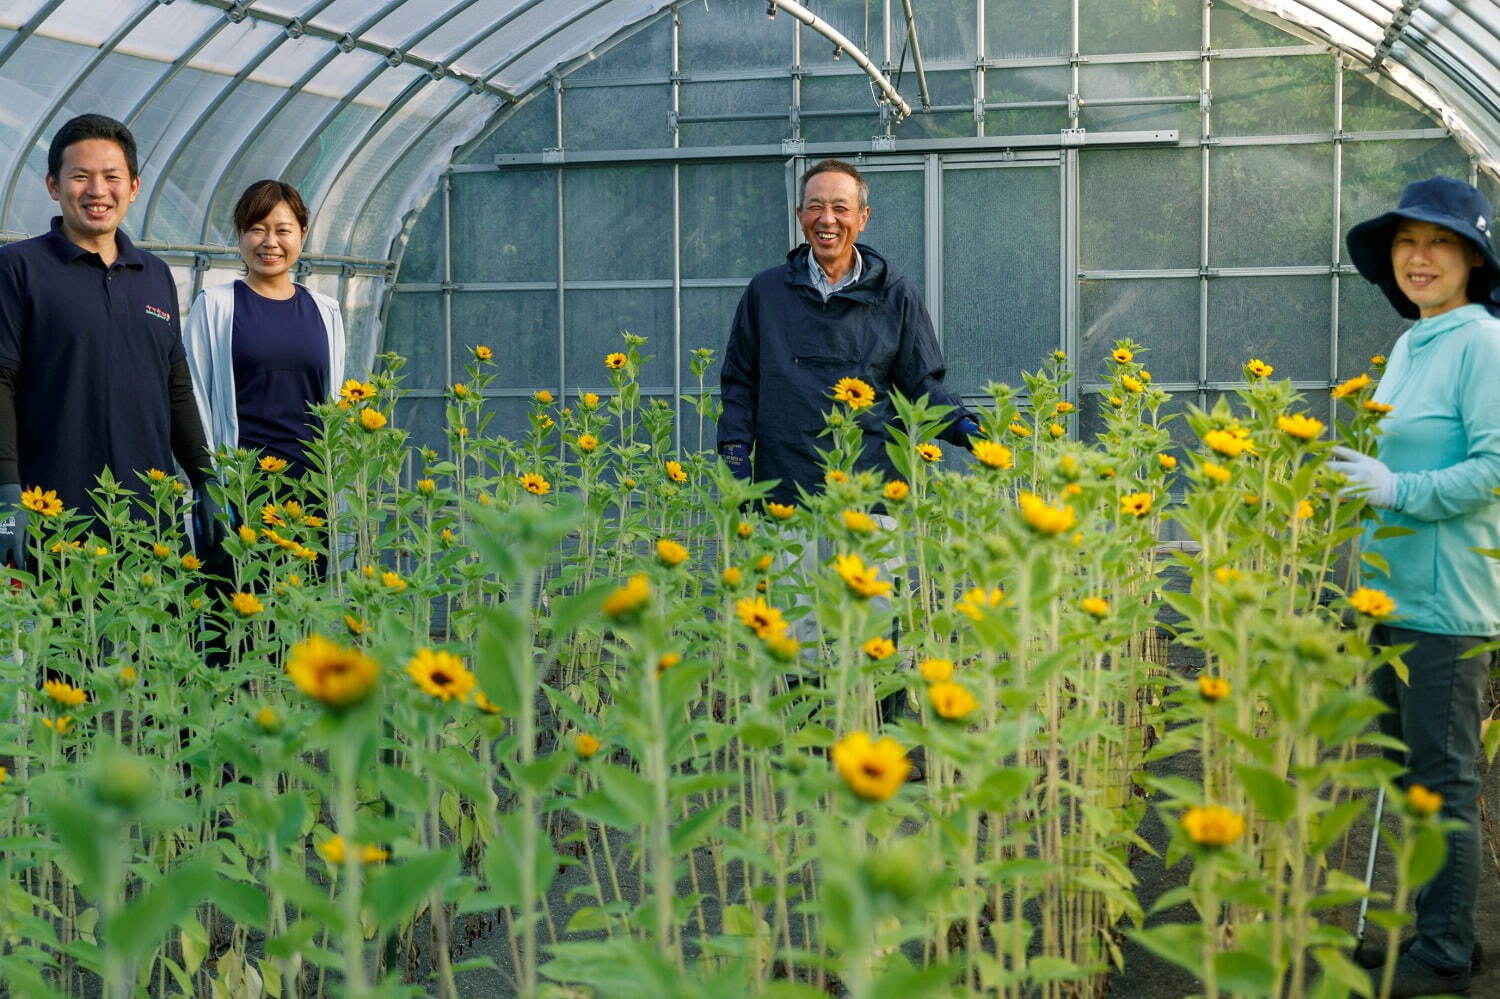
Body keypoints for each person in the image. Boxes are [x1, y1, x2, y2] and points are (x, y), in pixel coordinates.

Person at [1333, 174, 1500, 998]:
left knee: (1445, 781)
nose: (1418, 256)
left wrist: (1398, 491)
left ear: (1472, 255)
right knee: (1412, 777)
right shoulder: (1412, 343)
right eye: (1405, 241)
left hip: (1446, 603)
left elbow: (1496, 469)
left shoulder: (1484, 343)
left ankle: (1445, 949)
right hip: (1390, 593)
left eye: (1438, 241)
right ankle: (1443, 931)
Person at [0, 114, 216, 568]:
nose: (97, 191)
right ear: (53, 186)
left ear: (133, 187)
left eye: (111, 177)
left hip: (147, 518)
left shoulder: (154, 275)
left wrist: (204, 477)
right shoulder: (18, 269)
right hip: (54, 517)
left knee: (150, 636)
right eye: (80, 176)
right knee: (58, 638)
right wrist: (6, 491)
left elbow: (174, 387)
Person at [717, 158, 977, 505]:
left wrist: (964, 426)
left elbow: (921, 385)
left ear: (862, 218)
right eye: (815, 207)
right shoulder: (766, 293)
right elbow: (740, 384)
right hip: (785, 493)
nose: (828, 220)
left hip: (872, 494)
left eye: (841, 208)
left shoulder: (894, 294)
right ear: (800, 215)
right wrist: (734, 453)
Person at [183, 179, 346, 477]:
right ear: (240, 233)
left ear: (302, 234)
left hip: (314, 485)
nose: (270, 242)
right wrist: (208, 482)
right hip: (241, 485)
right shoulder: (215, 306)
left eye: (283, 230)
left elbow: (332, 401)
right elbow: (193, 399)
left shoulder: (325, 310)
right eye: (257, 229)